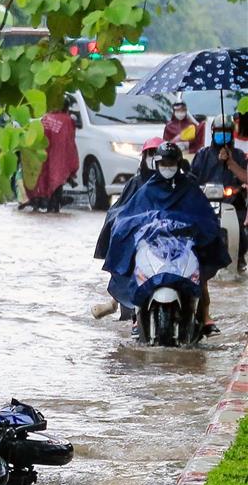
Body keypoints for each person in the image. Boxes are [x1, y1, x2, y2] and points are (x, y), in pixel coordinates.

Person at [102, 142, 231, 336]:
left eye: (171, 162)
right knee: (135, 266)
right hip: (153, 246)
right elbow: (128, 215)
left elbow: (206, 217)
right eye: (164, 162)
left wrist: (190, 226)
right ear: (156, 163)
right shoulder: (146, 188)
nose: (167, 166)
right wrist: (146, 223)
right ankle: (137, 317)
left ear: (178, 164)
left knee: (199, 273)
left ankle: (204, 316)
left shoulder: (189, 187)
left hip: (183, 247)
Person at [92, 136, 163, 319]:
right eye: (150, 154)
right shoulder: (135, 183)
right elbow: (119, 212)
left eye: (158, 154)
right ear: (144, 157)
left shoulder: (174, 184)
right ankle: (122, 304)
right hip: (139, 239)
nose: (154, 158)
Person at [191, 114, 248, 273]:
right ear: (212, 132)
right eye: (218, 131)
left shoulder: (238, 155)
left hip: (232, 202)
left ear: (231, 132)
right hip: (204, 202)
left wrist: (237, 187)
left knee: (241, 229)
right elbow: (192, 178)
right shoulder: (202, 155)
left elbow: (244, 179)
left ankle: (239, 258)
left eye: (226, 131)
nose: (222, 134)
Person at [21, 101, 79, 212]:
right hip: (60, 156)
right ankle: (53, 206)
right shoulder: (67, 120)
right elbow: (70, 140)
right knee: (56, 181)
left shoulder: (45, 118)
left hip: (44, 154)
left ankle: (41, 202)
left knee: (44, 179)